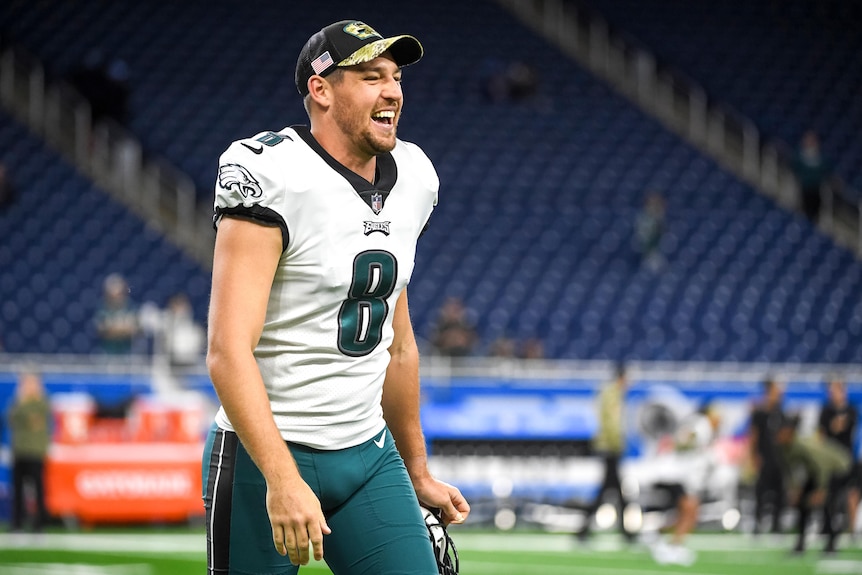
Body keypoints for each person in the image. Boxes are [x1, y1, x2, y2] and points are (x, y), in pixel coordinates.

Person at [203, 19, 470, 575]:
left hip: (369, 455)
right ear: (321, 89)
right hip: (267, 457)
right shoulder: (273, 172)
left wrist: (417, 471)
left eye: (395, 77)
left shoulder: (414, 176)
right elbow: (228, 350)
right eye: (371, 76)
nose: (392, 90)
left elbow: (397, 345)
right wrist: (281, 478)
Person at [648, 402, 722, 566]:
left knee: (686, 513)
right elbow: (684, 439)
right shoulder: (701, 424)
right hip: (678, 475)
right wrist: (687, 444)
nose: (720, 418)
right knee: (691, 511)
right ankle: (674, 547)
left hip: (682, 475)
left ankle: (658, 536)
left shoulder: (704, 427)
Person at [776, 413, 850, 555]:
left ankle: (832, 543)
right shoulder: (784, 447)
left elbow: (822, 466)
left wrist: (821, 490)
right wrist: (794, 490)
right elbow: (790, 470)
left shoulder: (803, 445)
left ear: (788, 432)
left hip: (837, 467)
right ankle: (801, 543)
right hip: (816, 472)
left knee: (827, 504)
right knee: (803, 504)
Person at [578, 363, 635, 542]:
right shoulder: (613, 394)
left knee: (611, 491)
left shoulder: (610, 393)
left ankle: (587, 530)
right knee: (612, 491)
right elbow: (611, 423)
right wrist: (617, 444)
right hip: (610, 448)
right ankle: (625, 532)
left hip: (608, 447)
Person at [6, 369, 51, 532]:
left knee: (38, 489)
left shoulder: (42, 401)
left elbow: (37, 418)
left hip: (36, 451)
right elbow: (11, 419)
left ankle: (39, 523)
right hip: (20, 450)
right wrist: (21, 400)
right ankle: (16, 523)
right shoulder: (19, 401)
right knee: (17, 490)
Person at [817, 376, 860, 537]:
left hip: (847, 457)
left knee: (853, 491)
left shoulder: (851, 409)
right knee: (828, 493)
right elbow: (824, 433)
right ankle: (826, 525)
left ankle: (852, 528)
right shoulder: (825, 410)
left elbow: (843, 428)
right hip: (830, 460)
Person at [748, 376, 786, 534]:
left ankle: (776, 525)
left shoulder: (781, 413)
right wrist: (753, 456)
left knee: (779, 492)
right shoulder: (760, 414)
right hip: (764, 457)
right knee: (761, 492)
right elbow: (754, 436)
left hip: (779, 459)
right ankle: (758, 523)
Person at [93, 273, 140, 354]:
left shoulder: (131, 307)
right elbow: (101, 330)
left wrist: (115, 330)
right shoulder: (102, 308)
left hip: (127, 352)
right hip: (108, 352)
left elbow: (136, 329)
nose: (118, 296)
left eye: (120, 293)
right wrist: (122, 330)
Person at [792, 130, 831, 223]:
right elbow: (795, 168)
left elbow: (826, 171)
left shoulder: (821, 157)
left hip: (817, 190)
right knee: (805, 211)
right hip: (804, 190)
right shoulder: (800, 156)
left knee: (816, 212)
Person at [634, 191, 666, 272]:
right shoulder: (643, 219)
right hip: (648, 256)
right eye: (652, 204)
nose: (655, 206)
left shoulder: (662, 219)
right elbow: (643, 238)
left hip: (659, 255)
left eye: (657, 204)